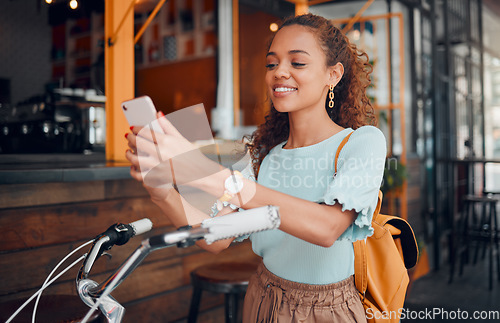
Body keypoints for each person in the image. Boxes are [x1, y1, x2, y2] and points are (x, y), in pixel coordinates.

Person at [126, 13, 386, 323]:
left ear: (334, 74)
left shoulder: (363, 142)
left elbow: (327, 228)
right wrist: (162, 192)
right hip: (262, 298)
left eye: (297, 63)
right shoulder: (259, 154)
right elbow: (217, 239)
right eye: (272, 63)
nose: (280, 73)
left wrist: (208, 173)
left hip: (326, 310)